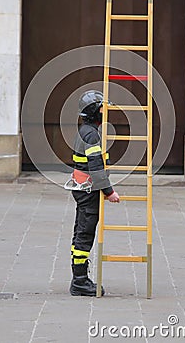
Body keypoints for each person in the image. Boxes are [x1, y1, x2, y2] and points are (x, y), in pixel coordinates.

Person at [69, 90, 120, 296]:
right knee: (85, 233)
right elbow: (96, 165)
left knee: (80, 230)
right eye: (102, 108)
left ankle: (79, 278)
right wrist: (109, 192)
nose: (104, 112)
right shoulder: (91, 133)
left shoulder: (87, 130)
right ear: (94, 111)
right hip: (88, 189)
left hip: (83, 188)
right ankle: (79, 281)